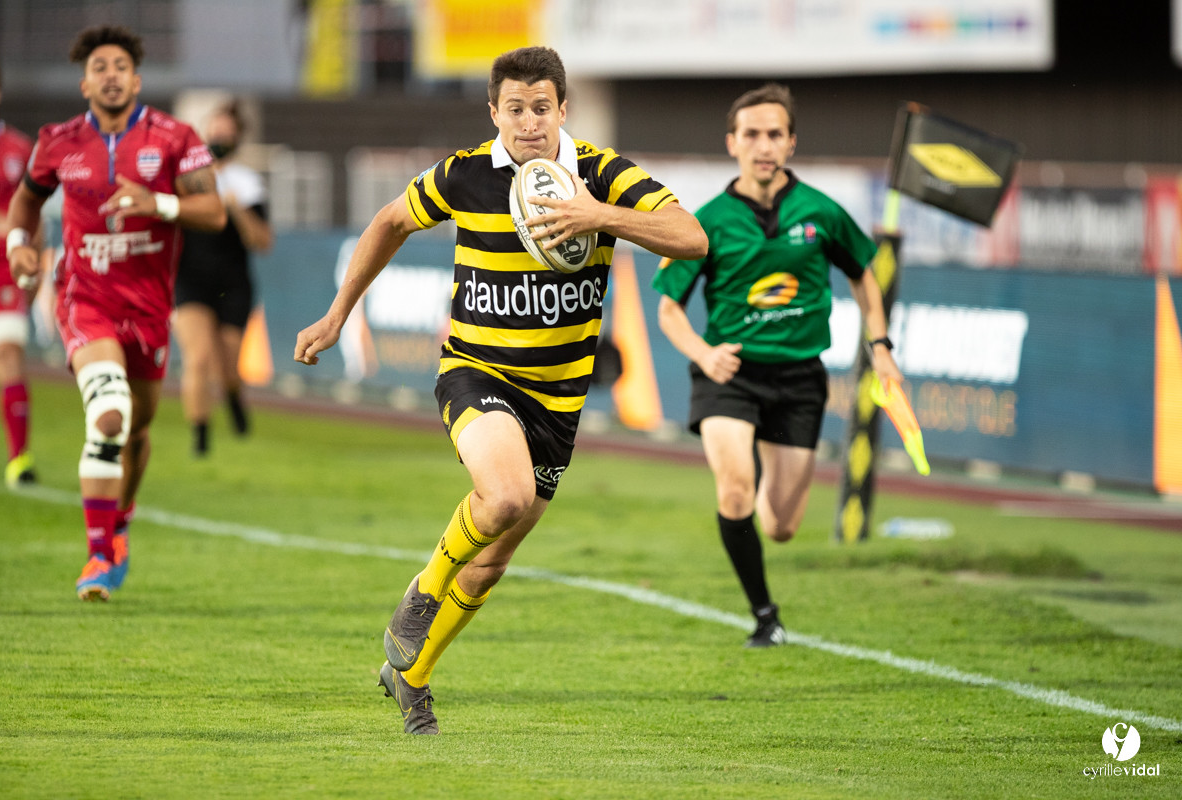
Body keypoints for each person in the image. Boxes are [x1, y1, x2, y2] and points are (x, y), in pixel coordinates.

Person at [294, 45, 707, 735]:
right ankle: (422, 593)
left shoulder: (600, 174)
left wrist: (597, 216)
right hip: (475, 371)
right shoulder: (464, 175)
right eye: (513, 109)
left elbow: (689, 236)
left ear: (562, 110)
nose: (527, 123)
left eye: (541, 108)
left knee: (489, 566)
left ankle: (411, 677)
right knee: (506, 494)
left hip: (558, 400)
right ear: (494, 113)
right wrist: (339, 312)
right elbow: (392, 220)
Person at [653, 84, 903, 648]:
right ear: (732, 143)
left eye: (774, 135)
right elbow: (668, 308)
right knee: (735, 490)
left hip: (799, 381)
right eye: (751, 135)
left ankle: (760, 465)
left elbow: (864, 274)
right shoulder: (707, 222)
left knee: (782, 526)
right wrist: (702, 353)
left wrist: (881, 345)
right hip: (729, 374)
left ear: (791, 143)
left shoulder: (821, 212)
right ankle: (765, 616)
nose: (763, 145)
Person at [6, 25, 225, 601]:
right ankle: (98, 556)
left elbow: (215, 212)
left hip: (149, 308)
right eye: (99, 66)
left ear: (137, 79)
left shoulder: (174, 137)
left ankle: (119, 522)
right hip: (85, 298)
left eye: (119, 66)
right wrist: (17, 244)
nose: (110, 75)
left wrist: (159, 201)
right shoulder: (57, 140)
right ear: (85, 82)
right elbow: (26, 199)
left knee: (137, 430)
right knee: (108, 414)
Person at [174, 100, 272, 457]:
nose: (220, 138)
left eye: (227, 133)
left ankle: (233, 397)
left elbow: (262, 241)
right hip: (191, 283)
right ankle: (200, 438)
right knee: (198, 358)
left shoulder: (248, 184)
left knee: (226, 368)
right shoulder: (185, 180)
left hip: (232, 286)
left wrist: (234, 207)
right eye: (215, 131)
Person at [0, 56, 37, 487]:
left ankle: (19, 458)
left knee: (7, 353)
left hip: (2, 270)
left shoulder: (20, 149)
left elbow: (28, 215)